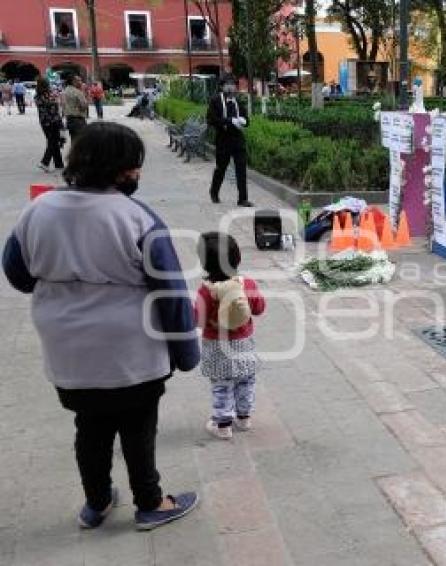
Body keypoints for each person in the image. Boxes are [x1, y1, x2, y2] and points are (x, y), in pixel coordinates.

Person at [2, 122, 200, 531]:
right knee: (138, 428)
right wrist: (185, 353)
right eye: (134, 167)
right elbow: (171, 292)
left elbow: (18, 275)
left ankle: (96, 502)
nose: (138, 175)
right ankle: (150, 502)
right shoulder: (137, 218)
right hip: (132, 352)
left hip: (67, 350)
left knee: (89, 426)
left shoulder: (38, 210)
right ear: (117, 169)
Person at [195, 232, 266, 440]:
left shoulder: (205, 291)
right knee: (245, 381)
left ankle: (223, 425)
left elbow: (197, 320)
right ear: (238, 258)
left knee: (221, 385)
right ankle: (244, 419)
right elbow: (260, 308)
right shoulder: (248, 284)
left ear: (205, 264)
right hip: (244, 344)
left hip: (217, 347)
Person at [207, 74, 252, 207]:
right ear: (222, 86)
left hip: (238, 140)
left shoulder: (238, 101)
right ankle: (214, 191)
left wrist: (244, 121)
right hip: (223, 139)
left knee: (241, 169)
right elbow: (211, 120)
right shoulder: (215, 100)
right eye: (228, 84)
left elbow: (246, 119)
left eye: (233, 84)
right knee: (221, 168)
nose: (231, 86)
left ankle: (242, 199)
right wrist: (230, 121)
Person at [34, 78, 65, 173]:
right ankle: (44, 162)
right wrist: (57, 101)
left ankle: (59, 164)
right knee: (53, 142)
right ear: (45, 85)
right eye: (48, 84)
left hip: (46, 122)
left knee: (54, 142)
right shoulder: (42, 96)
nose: (49, 85)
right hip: (51, 122)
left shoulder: (40, 95)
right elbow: (51, 105)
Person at [62, 75, 89, 142]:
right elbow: (84, 106)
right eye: (79, 80)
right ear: (73, 82)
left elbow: (62, 105)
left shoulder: (65, 91)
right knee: (81, 142)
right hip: (78, 120)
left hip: (69, 120)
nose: (81, 82)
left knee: (73, 140)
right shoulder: (78, 92)